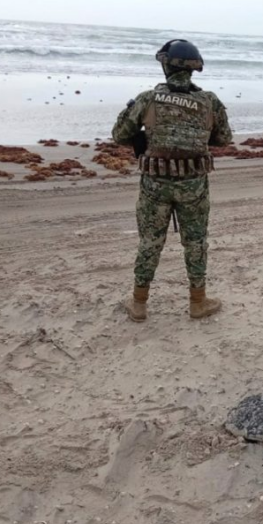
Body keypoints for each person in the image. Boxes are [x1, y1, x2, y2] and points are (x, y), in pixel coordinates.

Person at [112, 39, 233, 321]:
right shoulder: (209, 101)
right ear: (193, 69)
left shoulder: (147, 99)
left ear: (166, 66)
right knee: (195, 242)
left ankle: (139, 303)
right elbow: (224, 139)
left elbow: (119, 135)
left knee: (150, 241)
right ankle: (198, 302)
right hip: (194, 184)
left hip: (155, 184)